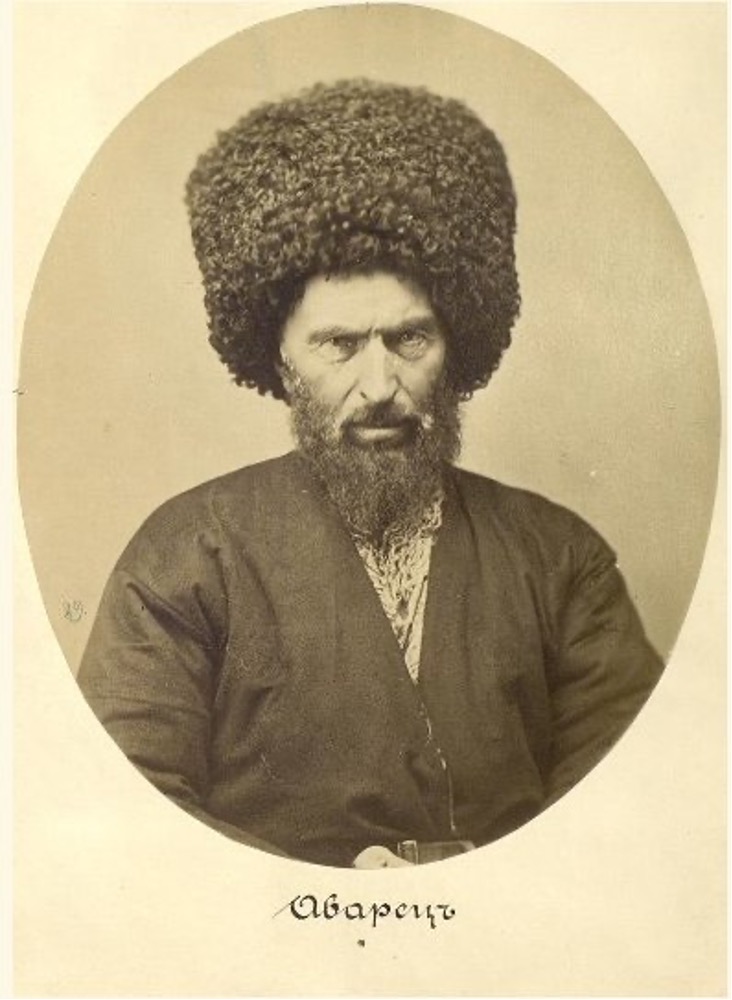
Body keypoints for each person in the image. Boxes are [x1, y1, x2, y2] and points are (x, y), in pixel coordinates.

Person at [78, 79, 664, 869]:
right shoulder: (184, 556)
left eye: (409, 339)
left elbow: (635, 804)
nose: (380, 385)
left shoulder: (561, 560)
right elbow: (124, 809)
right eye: (340, 345)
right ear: (282, 360)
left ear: (456, 345)